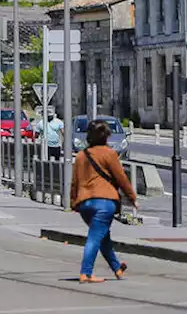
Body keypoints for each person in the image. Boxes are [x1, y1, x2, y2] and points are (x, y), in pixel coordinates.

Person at [69, 120, 137, 283]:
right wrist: (132, 197)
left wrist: (73, 202)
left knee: (102, 236)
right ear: (106, 137)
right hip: (104, 202)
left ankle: (117, 268)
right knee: (95, 237)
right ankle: (86, 272)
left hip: (85, 203)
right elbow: (121, 178)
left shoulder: (80, 156)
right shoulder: (109, 154)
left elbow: (74, 182)